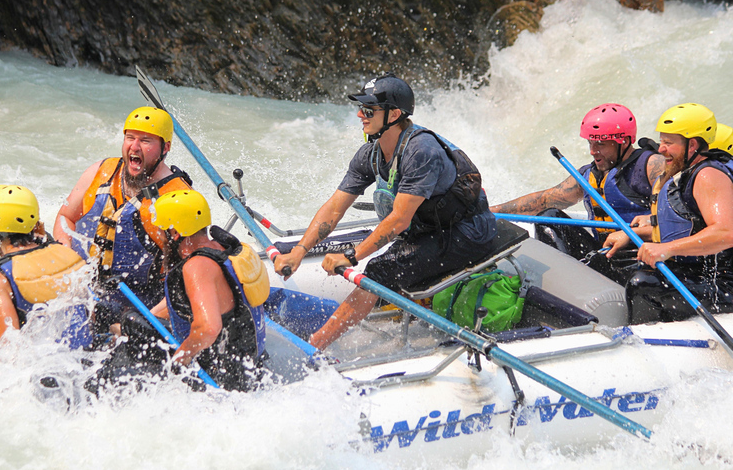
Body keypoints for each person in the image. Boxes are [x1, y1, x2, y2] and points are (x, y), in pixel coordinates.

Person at [274, 73, 497, 350]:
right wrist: (299, 251)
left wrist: (351, 256)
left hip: (466, 234)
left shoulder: (421, 151)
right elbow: (334, 208)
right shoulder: (371, 154)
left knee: (380, 269)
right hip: (429, 229)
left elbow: (399, 220)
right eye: (360, 108)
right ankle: (365, 308)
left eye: (368, 110)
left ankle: (315, 346)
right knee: (384, 263)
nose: (359, 114)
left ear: (393, 114)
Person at [54, 107, 193, 334]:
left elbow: (190, 281)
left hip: (143, 304)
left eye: (146, 141)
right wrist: (65, 250)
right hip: (91, 291)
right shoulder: (102, 171)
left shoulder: (177, 200)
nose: (134, 147)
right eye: (130, 138)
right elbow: (65, 217)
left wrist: (137, 323)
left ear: (165, 148)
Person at [490, 103, 665, 282]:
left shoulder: (651, 166)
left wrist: (630, 233)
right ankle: (567, 284)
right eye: (590, 142)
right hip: (604, 255)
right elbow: (545, 200)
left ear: (624, 141)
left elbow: (679, 218)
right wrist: (491, 211)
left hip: (640, 258)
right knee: (551, 218)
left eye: (600, 144)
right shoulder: (588, 175)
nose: (592, 151)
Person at [118, 189, 266, 391]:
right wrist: (148, 316)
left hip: (222, 381)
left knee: (131, 322)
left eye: (162, 230)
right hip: (251, 368)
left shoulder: (197, 266)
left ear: (175, 232)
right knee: (137, 319)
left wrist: (179, 360)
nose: (160, 237)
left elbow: (208, 328)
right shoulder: (223, 248)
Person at [604, 103, 733, 323]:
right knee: (619, 263)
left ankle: (643, 346)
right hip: (691, 272)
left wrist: (666, 249)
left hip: (721, 284)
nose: (661, 149)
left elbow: (725, 232)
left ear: (692, 145)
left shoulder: (708, 175)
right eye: (661, 141)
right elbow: (685, 226)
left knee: (642, 285)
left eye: (668, 142)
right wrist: (636, 233)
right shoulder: (685, 175)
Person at [0, 185, 91, 347]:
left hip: (43, 368)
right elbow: (89, 318)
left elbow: (7, 350)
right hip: (84, 358)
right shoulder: (68, 255)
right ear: (37, 225)